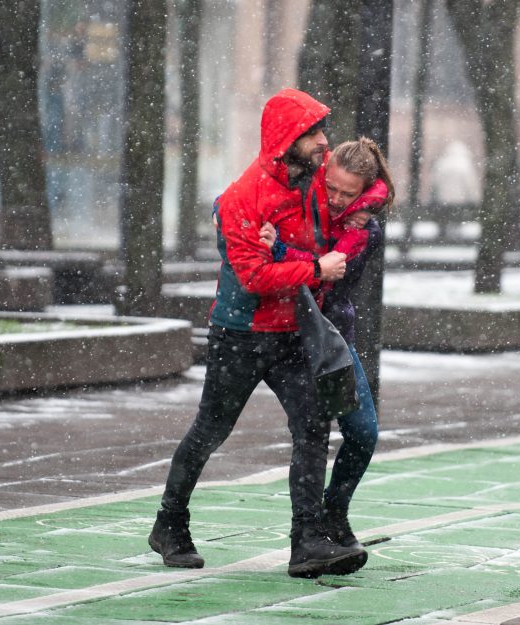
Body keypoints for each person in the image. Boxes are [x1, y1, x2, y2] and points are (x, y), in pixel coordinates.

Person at [148, 88, 366, 579]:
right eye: (312, 133)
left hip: (291, 332)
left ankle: (307, 541)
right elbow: (254, 276)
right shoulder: (244, 197)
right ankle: (170, 523)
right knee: (211, 430)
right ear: (286, 139)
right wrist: (315, 268)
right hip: (240, 334)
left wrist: (361, 210)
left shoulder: (314, 175)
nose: (322, 141)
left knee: (312, 425)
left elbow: (364, 182)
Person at [259, 138, 394, 554]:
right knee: (217, 427)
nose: (336, 199)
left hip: (330, 337)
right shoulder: (300, 192)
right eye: (332, 187)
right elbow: (244, 205)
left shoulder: (365, 228)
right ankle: (172, 519)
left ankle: (335, 509)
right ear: (325, 171)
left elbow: (332, 277)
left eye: (347, 194)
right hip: (275, 331)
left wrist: (283, 251)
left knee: (362, 432)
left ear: (365, 191)